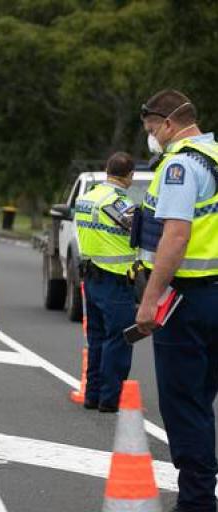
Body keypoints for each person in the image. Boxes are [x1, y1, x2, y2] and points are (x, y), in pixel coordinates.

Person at [136, 90, 218, 512]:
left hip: (187, 298)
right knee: (201, 402)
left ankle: (198, 502)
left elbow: (177, 235)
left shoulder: (180, 165)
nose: (151, 136)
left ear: (168, 123)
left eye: (152, 128)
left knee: (184, 405)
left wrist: (150, 300)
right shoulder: (215, 154)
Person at [75, 152, 137, 413]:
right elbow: (137, 231)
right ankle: (109, 400)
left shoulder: (86, 199)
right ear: (129, 176)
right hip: (115, 279)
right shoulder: (118, 202)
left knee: (97, 338)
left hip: (91, 277)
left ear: (106, 170)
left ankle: (92, 395)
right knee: (118, 340)